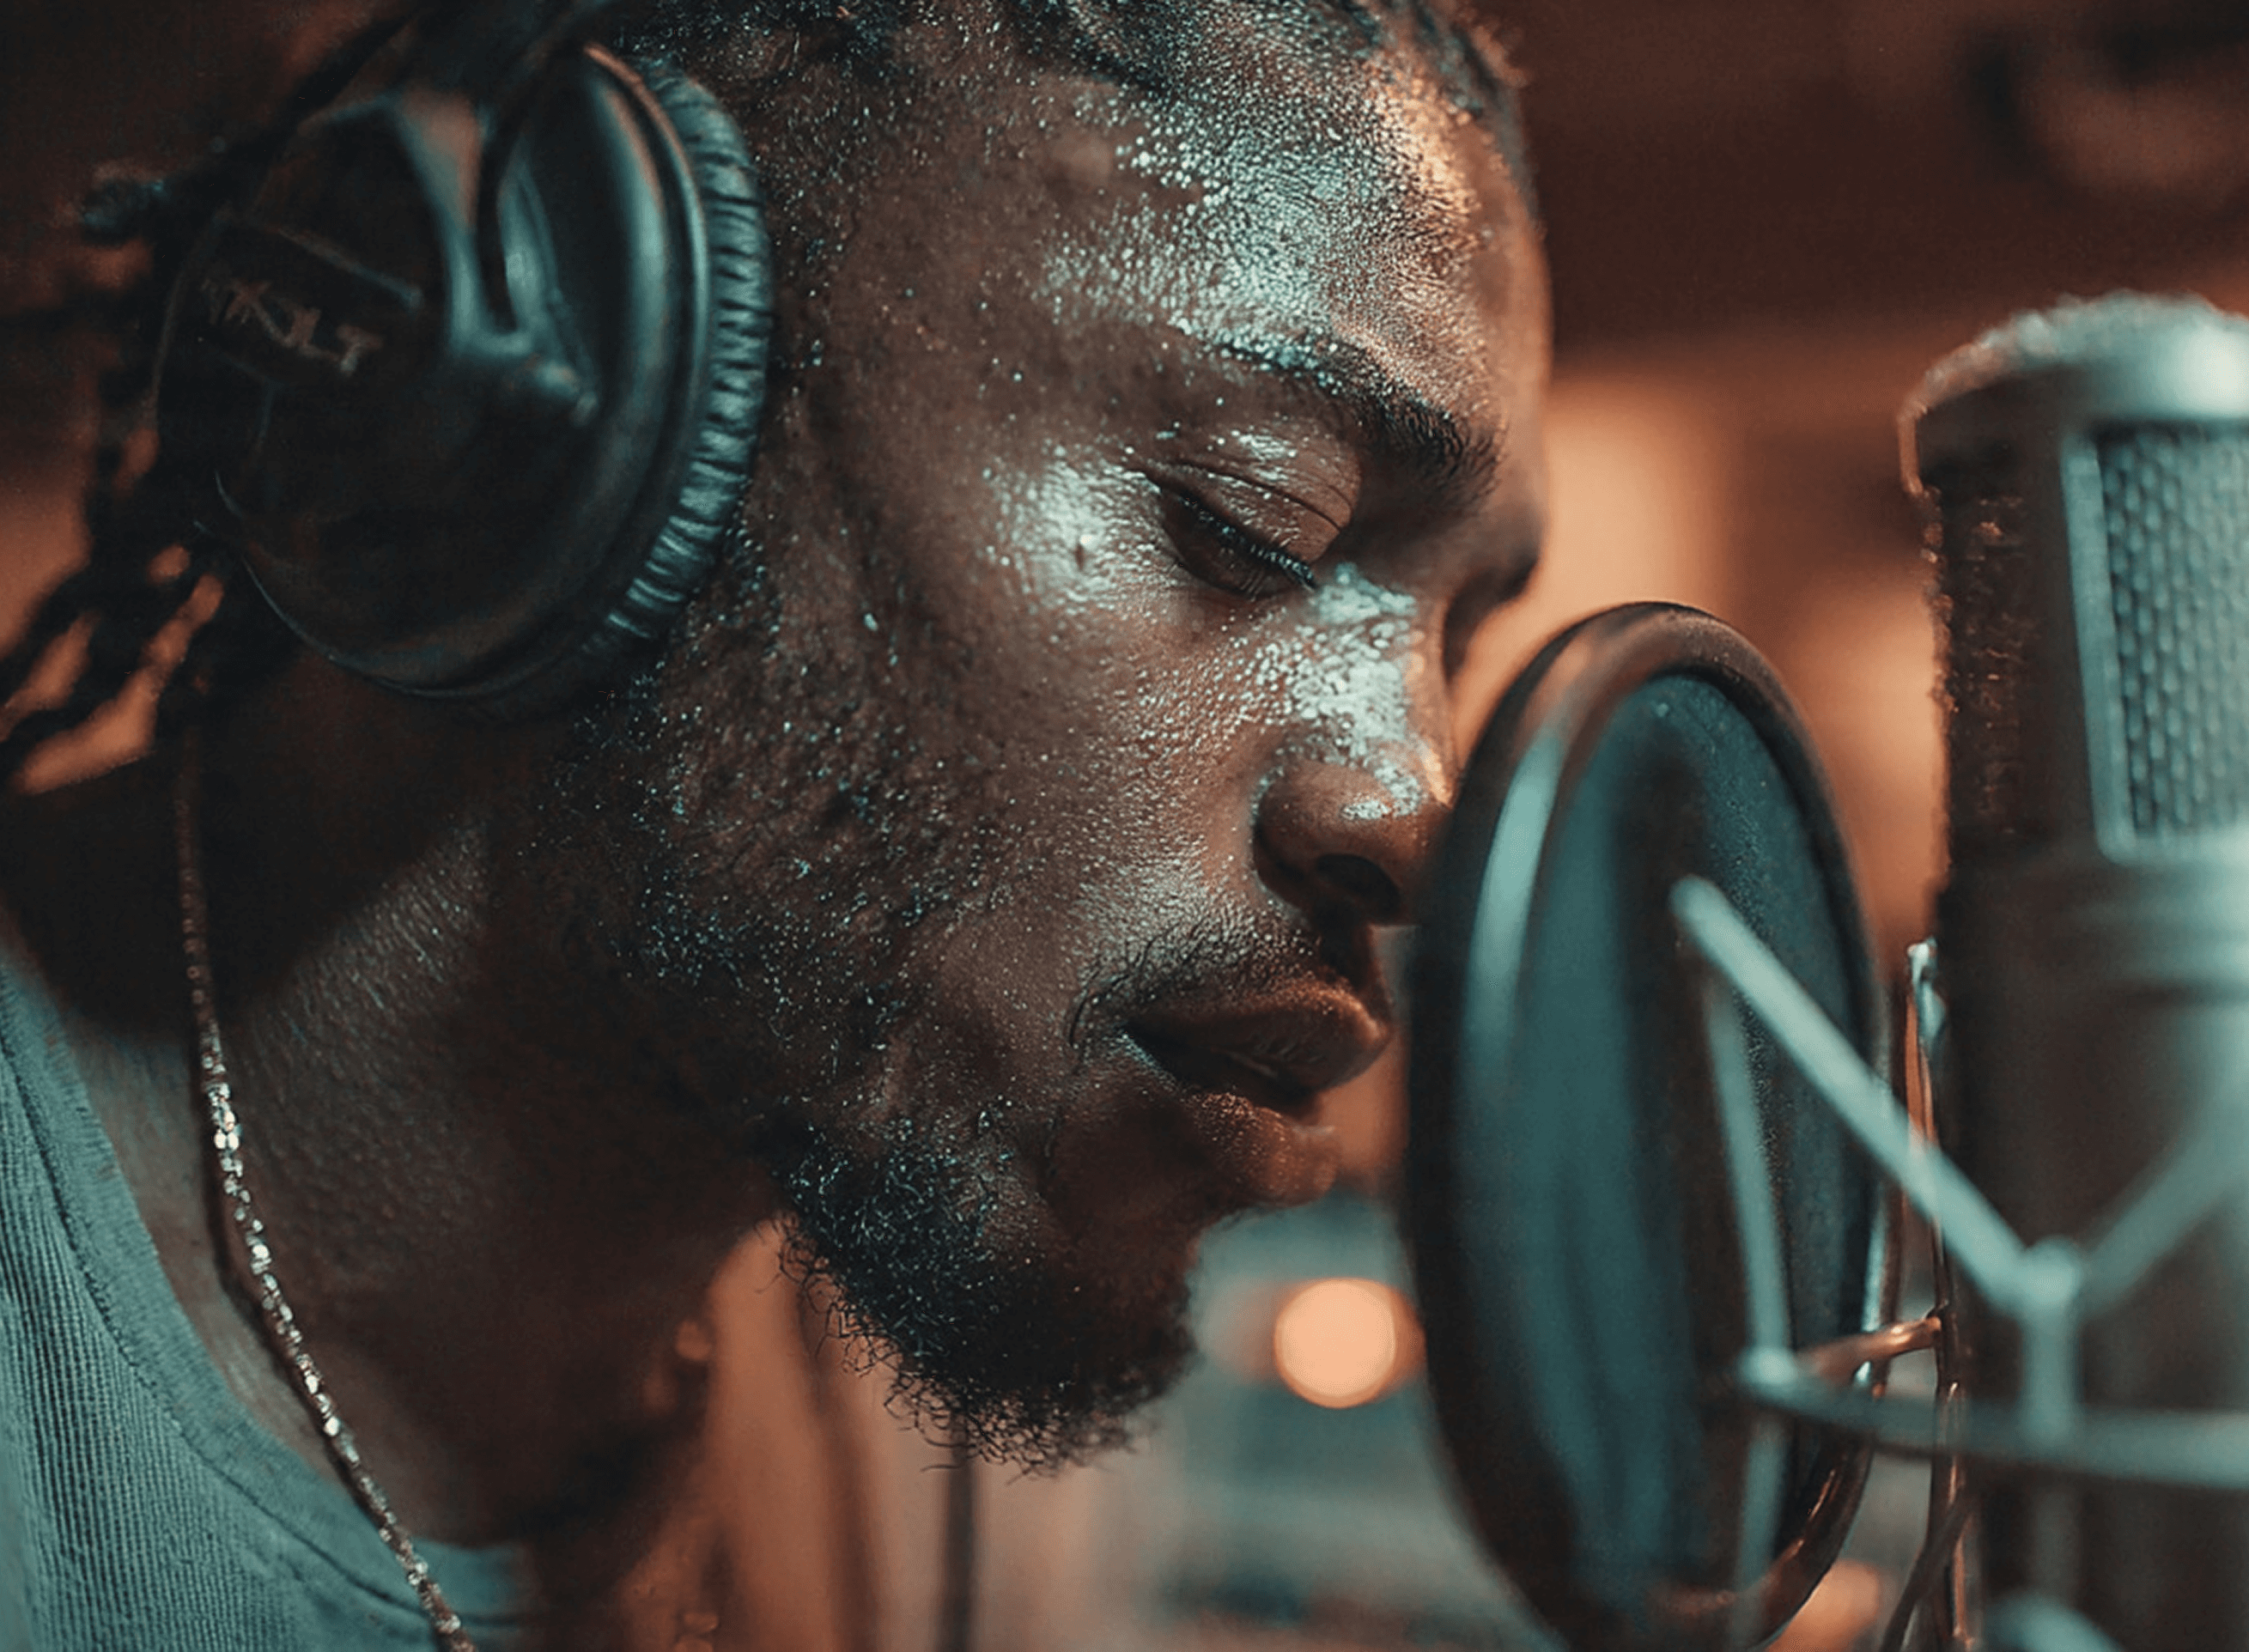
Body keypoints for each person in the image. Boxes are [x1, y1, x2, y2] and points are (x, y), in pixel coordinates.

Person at [0, 0, 1547, 1644]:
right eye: (1258, 522)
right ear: (577, 386)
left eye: (1463, 641)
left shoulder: (930, 1438)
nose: (1416, 808)